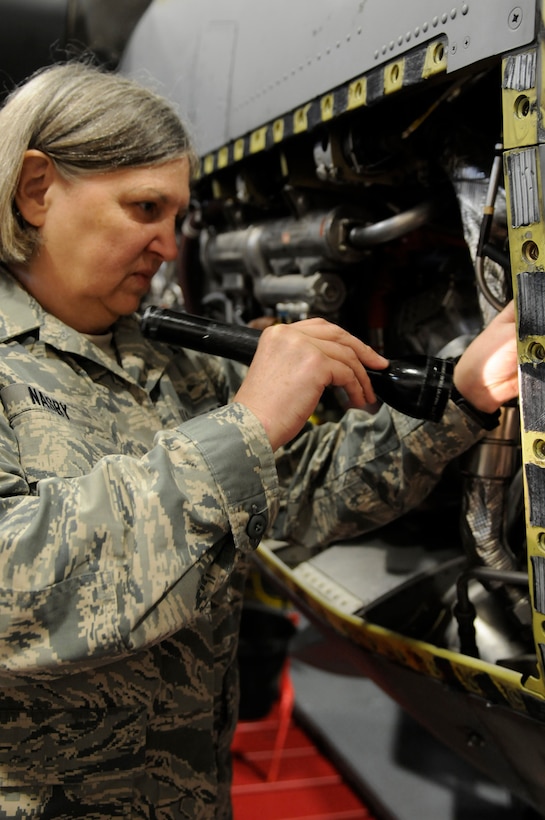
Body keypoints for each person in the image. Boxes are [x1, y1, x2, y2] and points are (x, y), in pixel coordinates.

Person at [0, 60, 518, 819]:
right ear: (37, 189)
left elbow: (292, 492)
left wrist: (460, 396)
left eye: (176, 217)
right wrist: (245, 426)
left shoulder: (159, 355)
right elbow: (17, 604)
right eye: (144, 208)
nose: (168, 246)